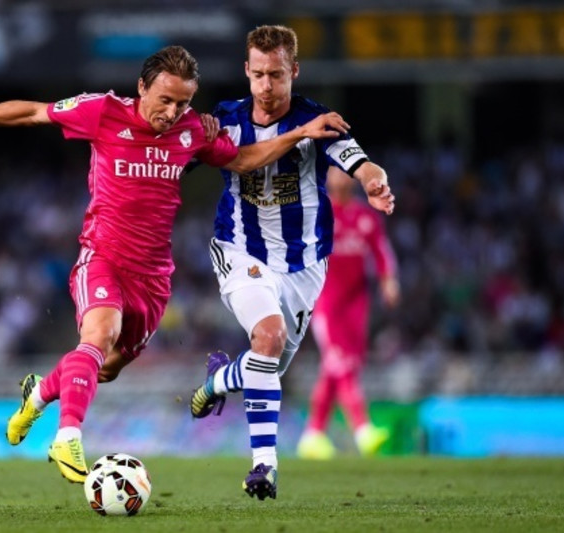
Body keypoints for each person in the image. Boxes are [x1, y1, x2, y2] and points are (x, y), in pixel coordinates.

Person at [0, 45, 351, 484]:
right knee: (98, 334)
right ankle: (67, 434)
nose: (173, 111)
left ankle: (39, 394)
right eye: (164, 99)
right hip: (102, 256)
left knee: (106, 366)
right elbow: (32, 112)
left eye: (183, 102)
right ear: (142, 87)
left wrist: (299, 133)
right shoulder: (101, 111)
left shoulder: (193, 132)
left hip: (153, 276)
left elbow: (242, 160)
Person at [189, 25, 395, 500]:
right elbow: (183, 157)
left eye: (276, 75)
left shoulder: (317, 121)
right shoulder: (225, 120)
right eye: (258, 74)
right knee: (269, 335)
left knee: (268, 367)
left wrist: (373, 181)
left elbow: (362, 162)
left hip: (304, 266)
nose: (266, 86)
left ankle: (221, 379)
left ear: (294, 71)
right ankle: (265, 466)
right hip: (241, 249)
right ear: (246, 71)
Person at [296, 167, 400, 460]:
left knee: (339, 366)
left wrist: (389, 280)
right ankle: (363, 430)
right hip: (326, 302)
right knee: (340, 363)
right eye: (334, 173)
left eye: (344, 173)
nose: (340, 178)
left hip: (357, 304)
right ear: (326, 179)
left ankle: (312, 435)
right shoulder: (315, 213)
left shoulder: (366, 217)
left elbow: (381, 251)